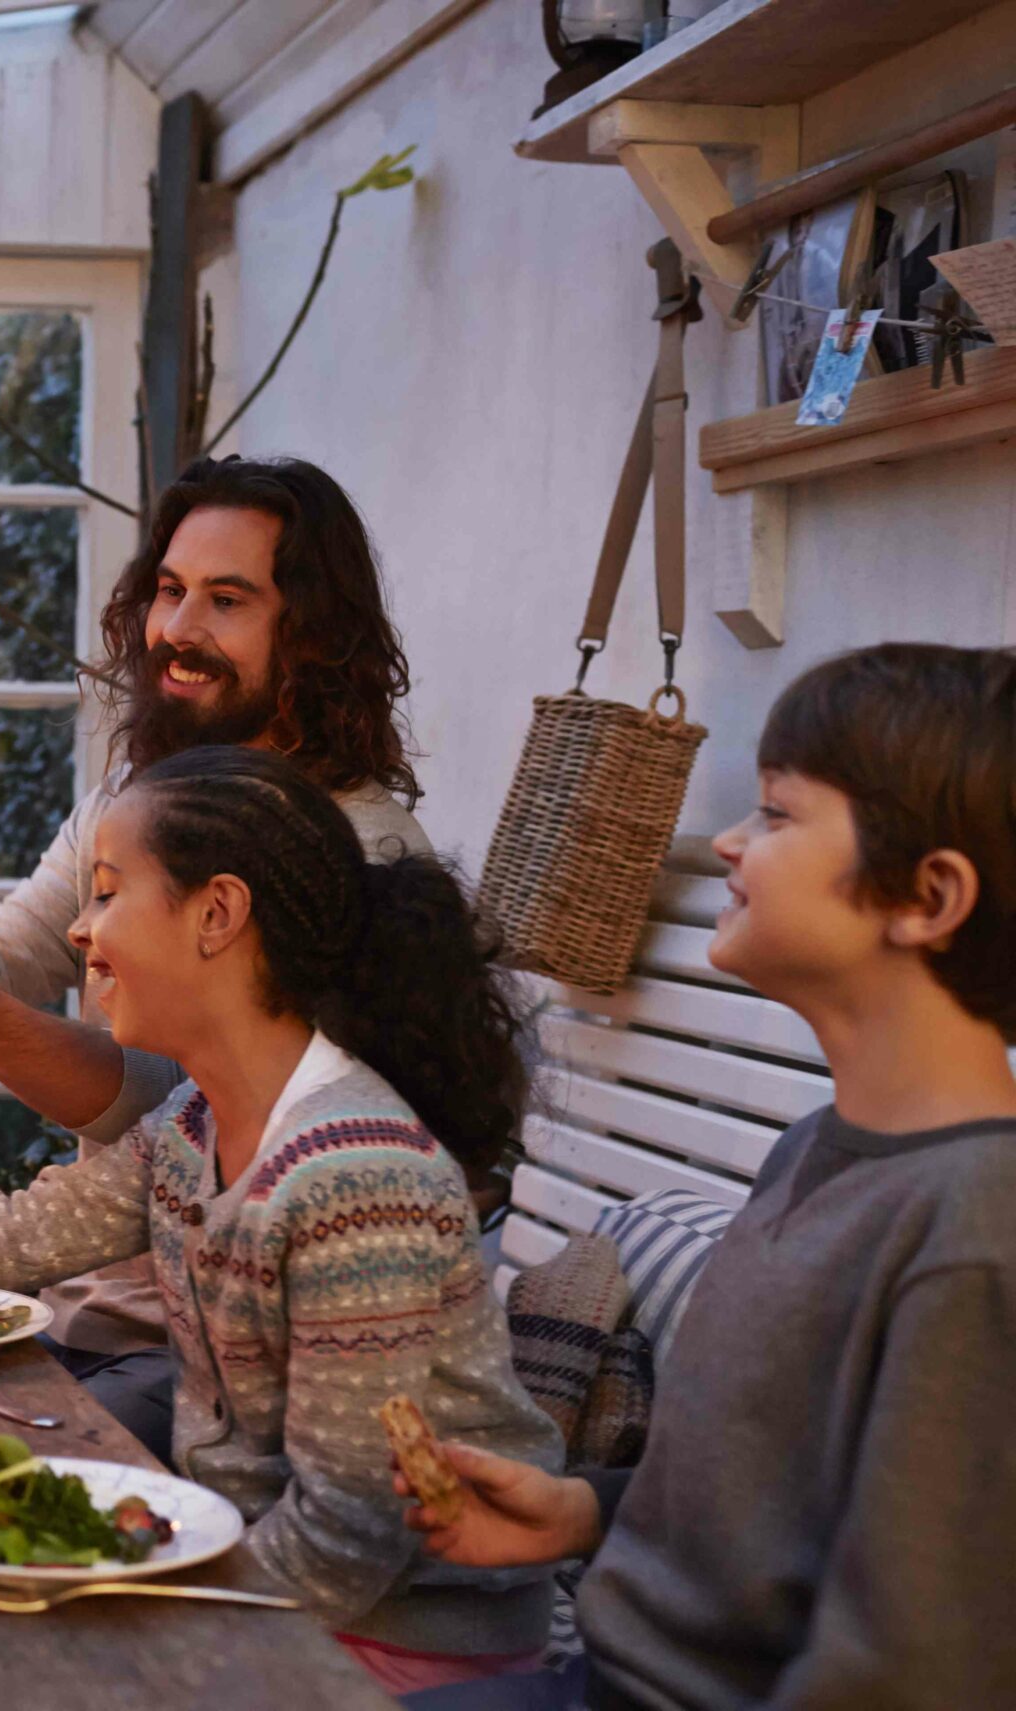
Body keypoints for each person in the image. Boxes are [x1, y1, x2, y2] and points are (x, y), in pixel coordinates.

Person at [0, 746, 562, 1689]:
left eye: (108, 893)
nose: (80, 929)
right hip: (266, 1589)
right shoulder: (193, 1122)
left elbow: (349, 1537)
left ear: (217, 913)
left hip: (391, 1649)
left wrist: (124, 1625)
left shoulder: (354, 1179)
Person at [395, 644, 1016, 1711]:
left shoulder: (974, 1235)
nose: (728, 840)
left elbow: (915, 1670)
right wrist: (581, 1511)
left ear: (927, 896)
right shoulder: (817, 1145)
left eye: (776, 814)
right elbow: (780, 1503)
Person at [0, 456, 432, 1448]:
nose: (177, 630)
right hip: (84, 1311)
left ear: (309, 634)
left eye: (226, 600)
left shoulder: (355, 852)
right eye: (169, 592)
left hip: (206, 1354)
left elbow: (177, 1095)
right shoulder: (131, 810)